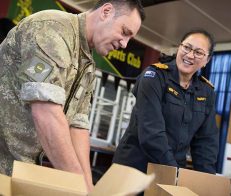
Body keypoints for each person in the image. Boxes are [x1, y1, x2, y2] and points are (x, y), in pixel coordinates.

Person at [0, 0, 144, 192]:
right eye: (124, 32)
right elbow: (46, 111)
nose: (125, 44)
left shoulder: (88, 65)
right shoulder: (52, 28)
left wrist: (88, 186)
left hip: (19, 167)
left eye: (130, 39)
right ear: (107, 11)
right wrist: (77, 186)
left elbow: (78, 125)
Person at [113, 29, 219, 174]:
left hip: (171, 170)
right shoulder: (153, 77)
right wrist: (173, 172)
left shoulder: (207, 92)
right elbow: (152, 133)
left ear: (207, 60)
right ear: (179, 47)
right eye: (186, 47)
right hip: (134, 167)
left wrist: (208, 182)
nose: (190, 55)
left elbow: (206, 143)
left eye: (199, 52)